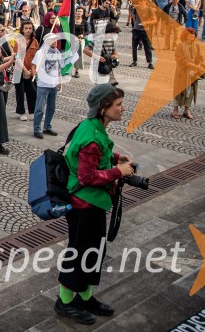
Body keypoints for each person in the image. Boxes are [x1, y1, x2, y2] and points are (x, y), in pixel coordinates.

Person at [56, 84, 134, 324]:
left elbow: (94, 159)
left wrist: (114, 159)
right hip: (83, 205)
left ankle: (85, 297)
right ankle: (65, 301)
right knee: (79, 253)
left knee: (93, 252)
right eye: (118, 105)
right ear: (103, 108)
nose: (123, 109)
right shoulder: (91, 135)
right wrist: (118, 171)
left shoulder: (93, 126)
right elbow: (86, 177)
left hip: (93, 203)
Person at [32, 33, 77, 139]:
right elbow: (33, 65)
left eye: (56, 40)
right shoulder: (41, 53)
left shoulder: (57, 52)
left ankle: (47, 126)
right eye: (52, 40)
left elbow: (58, 68)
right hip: (43, 84)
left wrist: (59, 81)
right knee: (40, 108)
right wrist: (34, 72)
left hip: (54, 84)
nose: (55, 42)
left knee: (51, 108)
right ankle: (37, 128)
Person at [173, 27, 205, 120]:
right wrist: (193, 66)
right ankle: (175, 110)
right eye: (189, 37)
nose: (191, 39)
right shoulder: (180, 46)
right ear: (185, 37)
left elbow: (200, 58)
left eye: (193, 37)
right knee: (178, 91)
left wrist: (197, 67)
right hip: (182, 72)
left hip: (192, 73)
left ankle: (186, 110)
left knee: (191, 92)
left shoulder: (197, 46)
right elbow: (179, 59)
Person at [14, 20, 39, 121]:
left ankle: (32, 111)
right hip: (19, 70)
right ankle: (21, 112)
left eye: (30, 28)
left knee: (32, 91)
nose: (28, 30)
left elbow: (37, 57)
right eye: (26, 28)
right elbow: (17, 57)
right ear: (22, 30)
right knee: (19, 92)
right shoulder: (18, 41)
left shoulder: (35, 41)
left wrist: (33, 69)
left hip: (31, 70)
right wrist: (24, 70)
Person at [128, 3, 154, 69]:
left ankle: (150, 62)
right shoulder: (136, 8)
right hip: (136, 30)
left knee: (147, 47)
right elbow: (133, 17)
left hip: (145, 30)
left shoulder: (149, 9)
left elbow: (154, 20)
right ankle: (134, 61)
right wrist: (135, 26)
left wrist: (146, 23)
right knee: (134, 46)